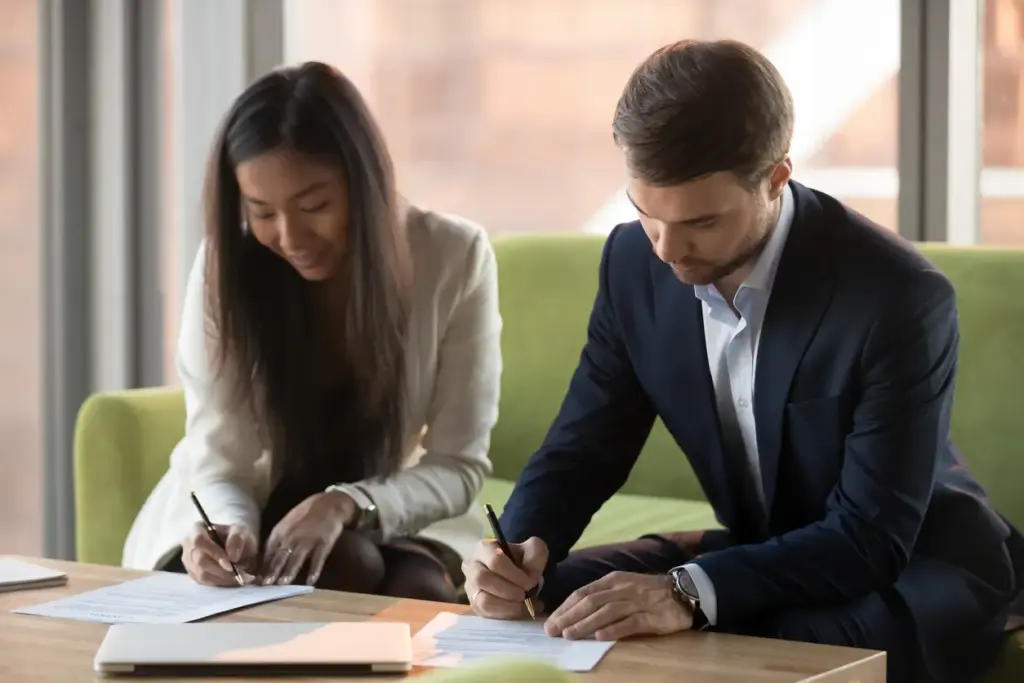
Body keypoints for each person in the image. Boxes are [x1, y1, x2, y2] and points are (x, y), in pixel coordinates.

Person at [462, 40, 1024, 682]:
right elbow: (583, 449)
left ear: (777, 177)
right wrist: (516, 551)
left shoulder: (897, 298)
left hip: (916, 566)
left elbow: (870, 536)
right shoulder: (631, 262)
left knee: (741, 639)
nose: (669, 250)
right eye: (647, 213)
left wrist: (683, 593)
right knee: (549, 603)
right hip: (769, 551)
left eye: (701, 221)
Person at [122, 62, 502, 604]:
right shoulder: (223, 268)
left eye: (314, 206)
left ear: (364, 184)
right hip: (245, 510)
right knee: (329, 576)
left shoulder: (452, 257)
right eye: (262, 212)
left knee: (408, 594)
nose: (290, 236)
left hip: (385, 511)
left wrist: (345, 503)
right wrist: (230, 529)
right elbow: (220, 459)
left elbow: (458, 466)